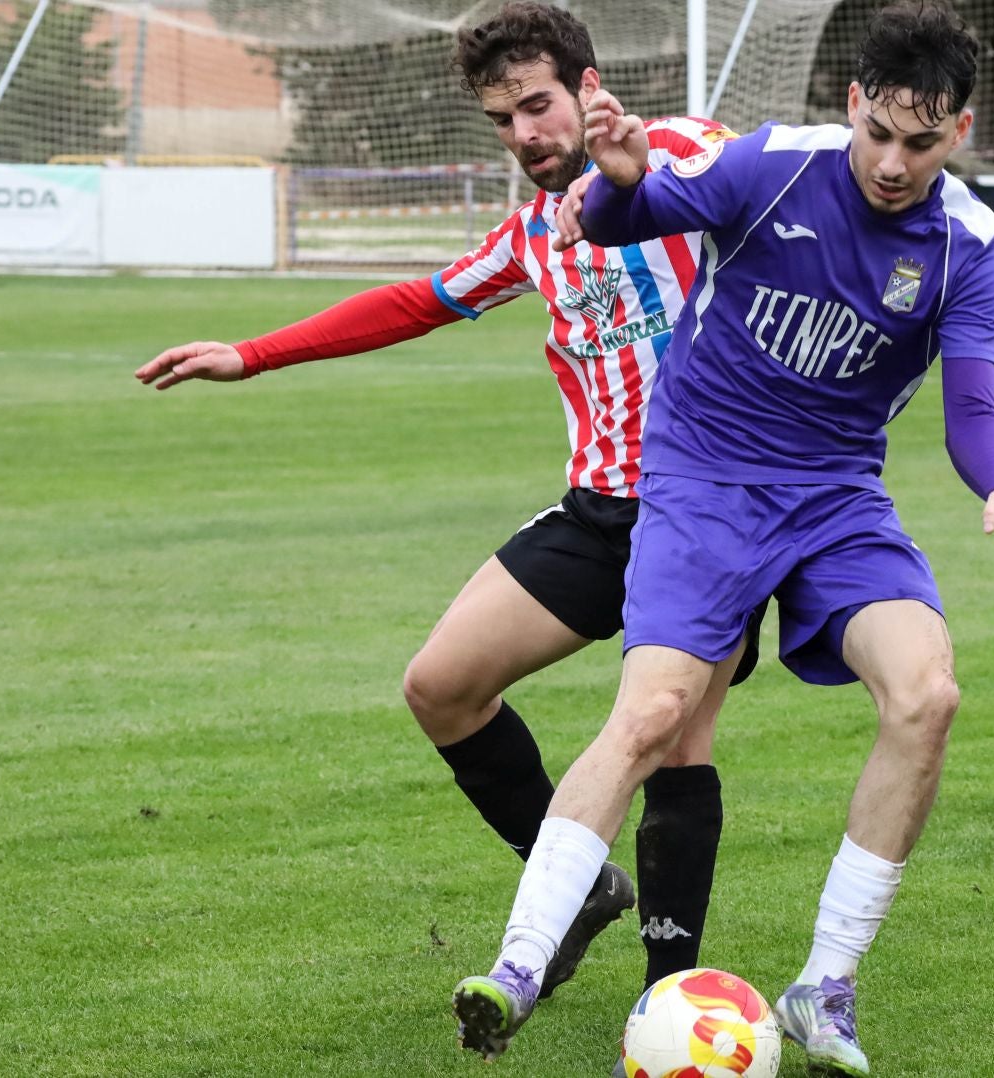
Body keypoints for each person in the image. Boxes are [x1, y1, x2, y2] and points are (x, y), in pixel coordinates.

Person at [451, 3, 994, 1074]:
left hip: (835, 500)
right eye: (881, 134)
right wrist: (628, 178)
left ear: (957, 133)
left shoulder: (970, 244)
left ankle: (825, 985)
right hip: (703, 483)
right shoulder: (776, 163)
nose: (894, 164)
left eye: (923, 144)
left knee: (928, 693)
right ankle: (520, 963)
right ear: (855, 105)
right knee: (653, 714)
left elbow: (970, 410)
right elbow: (623, 217)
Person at [133, 1, 756, 1001]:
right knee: (441, 685)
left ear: (591, 89)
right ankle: (581, 884)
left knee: (674, 735)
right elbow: (417, 300)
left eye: (539, 106)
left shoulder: (690, 156)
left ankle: (668, 997)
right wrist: (250, 354)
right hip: (600, 510)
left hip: (712, 514)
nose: (524, 135)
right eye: (503, 120)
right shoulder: (533, 235)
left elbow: (792, 179)